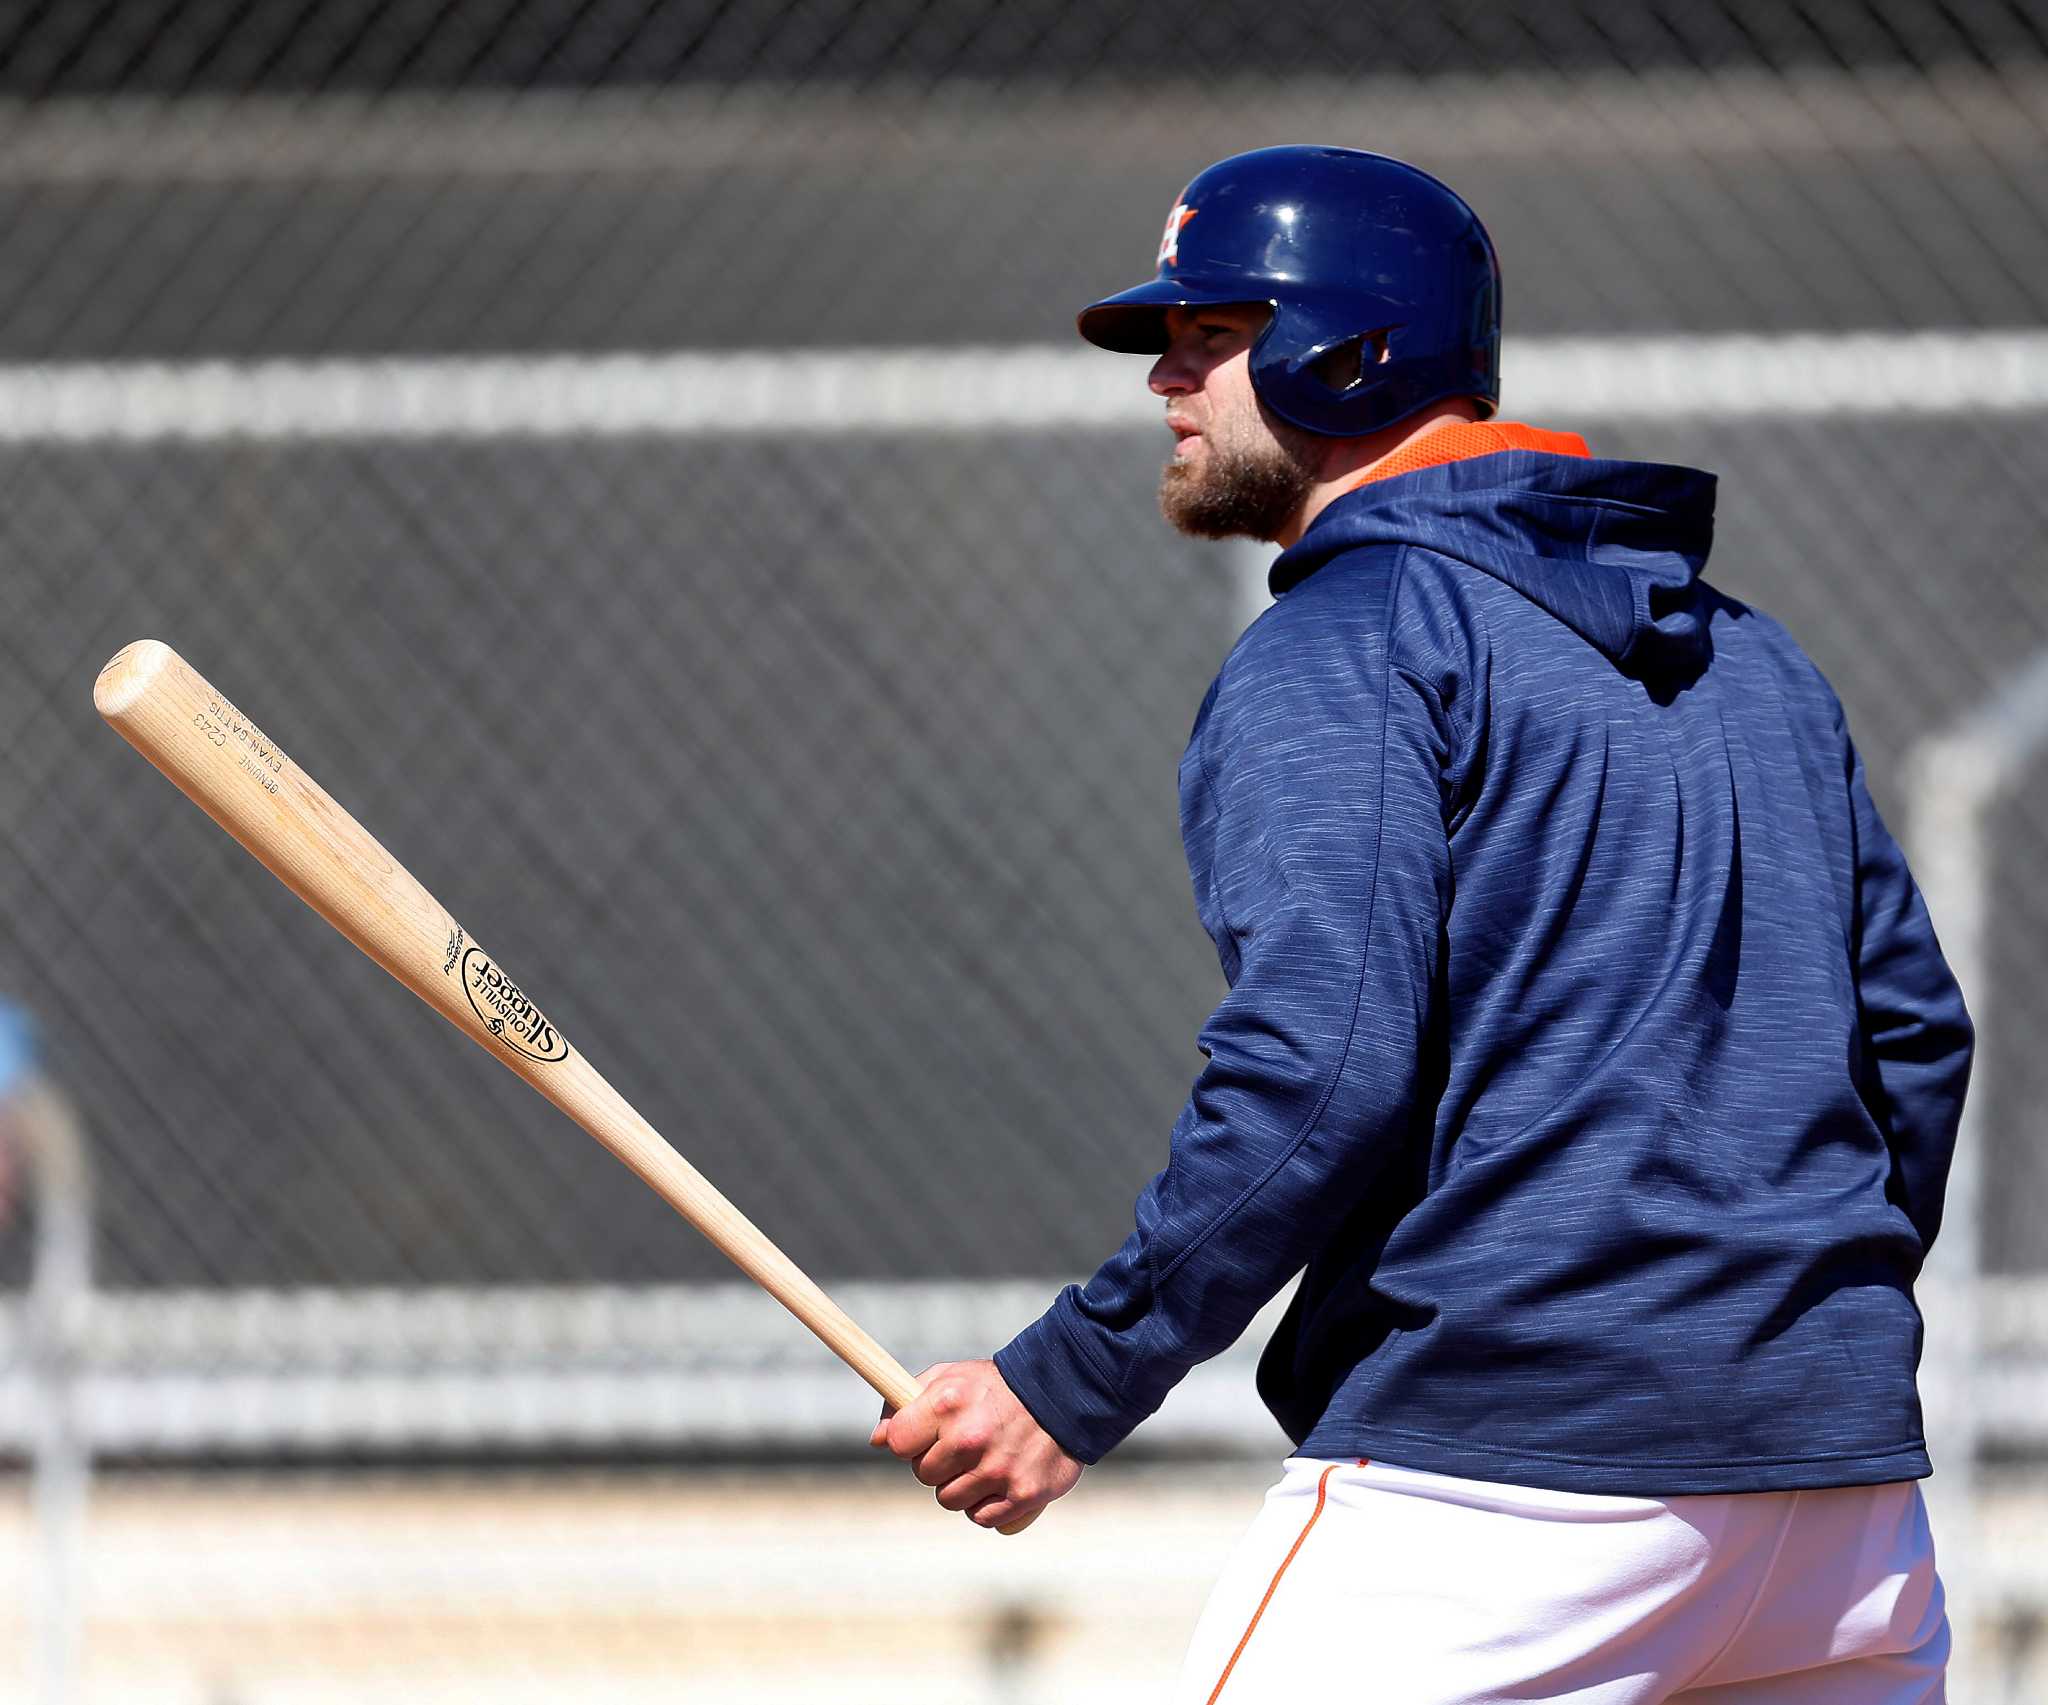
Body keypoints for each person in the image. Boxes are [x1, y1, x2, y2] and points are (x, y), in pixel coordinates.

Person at [870, 145, 1972, 1702]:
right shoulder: (1752, 659)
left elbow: (1320, 1068)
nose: (1165, 377)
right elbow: (1915, 1037)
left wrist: (1069, 1378)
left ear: (1351, 344)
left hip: (1503, 1504)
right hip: (1837, 1516)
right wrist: (1771, 1329)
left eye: (1210, 330)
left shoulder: (1348, 642)